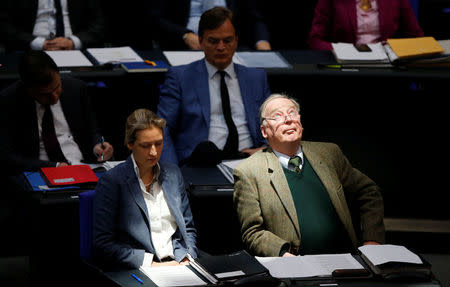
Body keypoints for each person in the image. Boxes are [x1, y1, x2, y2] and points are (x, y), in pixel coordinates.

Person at [233, 94, 385, 257]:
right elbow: (253, 233)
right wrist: (284, 254)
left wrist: (372, 241)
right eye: (277, 115)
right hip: (297, 268)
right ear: (264, 131)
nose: (287, 119)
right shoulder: (249, 171)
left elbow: (368, 191)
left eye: (291, 113)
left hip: (348, 262)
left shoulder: (328, 153)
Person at [157, 6, 271, 165]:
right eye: (213, 41)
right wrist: (172, 174)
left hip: (250, 161)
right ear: (201, 41)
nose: (221, 47)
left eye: (227, 40)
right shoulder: (180, 77)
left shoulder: (256, 78)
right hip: (200, 165)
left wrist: (266, 149)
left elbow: (273, 126)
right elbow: (162, 129)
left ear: (236, 40)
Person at [93, 109, 197, 269]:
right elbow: (103, 244)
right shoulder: (112, 182)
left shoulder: (174, 174)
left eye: (159, 143)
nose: (154, 152)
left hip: (179, 262)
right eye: (145, 145)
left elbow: (188, 228)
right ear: (129, 144)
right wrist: (150, 264)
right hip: (140, 268)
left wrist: (188, 257)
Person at [0, 50, 113, 174]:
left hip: (83, 167)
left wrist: (98, 145)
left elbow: (93, 130)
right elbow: (8, 156)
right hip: (40, 171)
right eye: (45, 95)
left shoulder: (76, 88)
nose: (54, 98)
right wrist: (54, 166)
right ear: (28, 88)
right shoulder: (8, 101)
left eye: (57, 88)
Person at [307, 0, 424, 51]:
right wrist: (343, 51)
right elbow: (315, 40)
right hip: (344, 68)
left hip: (387, 69)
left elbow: (417, 38)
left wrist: (394, 50)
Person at [152, 1, 271, 50]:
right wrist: (185, 35)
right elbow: (156, 19)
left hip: (230, 47)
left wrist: (262, 41)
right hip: (185, 47)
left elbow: (254, 18)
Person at [0, 0, 105, 52]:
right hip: (28, 49)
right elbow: (4, 25)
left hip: (76, 49)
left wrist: (73, 42)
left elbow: (99, 23)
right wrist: (38, 43)